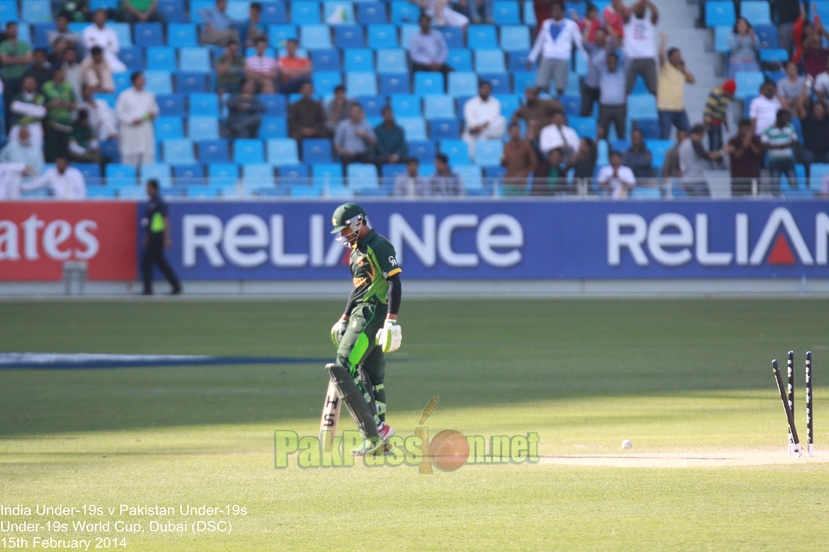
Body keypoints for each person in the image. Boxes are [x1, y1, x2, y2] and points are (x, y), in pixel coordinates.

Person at [327, 202, 402, 456]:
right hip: (361, 311)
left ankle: (374, 432)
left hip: (373, 312)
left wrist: (391, 319)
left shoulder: (379, 245)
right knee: (369, 373)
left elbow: (394, 282)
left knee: (344, 364)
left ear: (358, 222)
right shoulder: (357, 250)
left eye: (345, 230)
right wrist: (344, 316)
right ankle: (381, 439)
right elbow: (359, 288)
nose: (343, 236)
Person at [528, 3, 585, 96]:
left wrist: (585, 57)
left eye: (558, 10)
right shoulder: (546, 24)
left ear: (563, 12)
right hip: (547, 56)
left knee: (560, 87)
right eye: (553, 10)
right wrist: (532, 58)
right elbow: (539, 42)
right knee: (539, 84)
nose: (555, 12)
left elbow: (579, 42)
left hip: (562, 58)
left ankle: (557, 106)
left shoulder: (571, 25)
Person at [141, 179, 182, 295]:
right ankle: (176, 286)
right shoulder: (151, 202)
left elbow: (165, 220)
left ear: (154, 189)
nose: (146, 190)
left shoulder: (159, 202)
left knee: (146, 262)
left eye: (148, 187)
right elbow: (150, 222)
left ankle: (148, 289)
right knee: (160, 262)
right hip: (153, 235)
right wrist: (147, 235)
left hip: (157, 235)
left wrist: (165, 237)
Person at [116, 71, 159, 167]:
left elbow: (154, 111)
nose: (143, 81)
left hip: (145, 130)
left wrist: (149, 115)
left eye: (143, 79)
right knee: (129, 155)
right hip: (129, 131)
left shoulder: (149, 95)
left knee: (147, 156)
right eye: (140, 79)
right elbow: (119, 113)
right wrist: (131, 120)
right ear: (134, 81)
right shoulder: (124, 95)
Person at [657, 33, 695, 139]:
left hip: (679, 109)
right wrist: (664, 40)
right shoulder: (664, 68)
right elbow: (660, 55)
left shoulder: (681, 71)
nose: (678, 58)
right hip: (665, 108)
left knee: (688, 134)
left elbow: (692, 81)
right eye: (675, 56)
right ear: (669, 58)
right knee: (665, 135)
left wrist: (683, 69)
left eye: (679, 56)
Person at [42, 64, 78, 162]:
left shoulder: (68, 87)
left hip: (66, 124)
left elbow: (75, 105)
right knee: (51, 151)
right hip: (52, 124)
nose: (64, 74)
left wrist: (66, 103)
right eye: (61, 71)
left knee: (64, 152)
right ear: (55, 73)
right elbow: (41, 106)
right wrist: (52, 105)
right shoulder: (46, 86)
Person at [461, 81, 505, 160]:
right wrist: (478, 126)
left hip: (489, 129)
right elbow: (470, 119)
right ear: (478, 90)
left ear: (491, 91)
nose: (485, 90)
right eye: (483, 88)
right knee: (473, 132)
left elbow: (493, 118)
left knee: (501, 120)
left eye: (487, 89)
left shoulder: (495, 103)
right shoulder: (470, 104)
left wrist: (484, 125)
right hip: (474, 131)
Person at [623, 0, 659, 96]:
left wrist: (646, 2)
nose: (640, 9)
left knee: (654, 90)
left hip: (648, 58)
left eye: (642, 8)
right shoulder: (629, 21)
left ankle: (658, 109)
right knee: (626, 90)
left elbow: (655, 13)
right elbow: (626, 15)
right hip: (632, 58)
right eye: (638, 8)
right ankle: (623, 110)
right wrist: (638, 4)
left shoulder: (649, 22)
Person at [582, 27, 617, 117]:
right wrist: (589, 28)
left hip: (602, 88)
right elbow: (583, 42)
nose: (599, 38)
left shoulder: (610, 48)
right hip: (589, 86)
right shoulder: (591, 47)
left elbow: (618, 43)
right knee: (585, 112)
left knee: (603, 115)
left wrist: (610, 32)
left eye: (602, 36)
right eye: (597, 36)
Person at [762, 109, 800, 193]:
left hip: (788, 160)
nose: (787, 119)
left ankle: (796, 201)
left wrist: (789, 143)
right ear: (778, 118)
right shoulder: (768, 129)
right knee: (775, 185)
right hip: (775, 161)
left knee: (794, 183)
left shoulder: (790, 127)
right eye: (785, 117)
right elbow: (763, 145)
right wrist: (778, 146)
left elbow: (796, 143)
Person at [678, 124, 722, 196]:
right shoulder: (695, 142)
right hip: (696, 180)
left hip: (686, 179)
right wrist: (722, 152)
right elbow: (706, 156)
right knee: (705, 205)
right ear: (701, 133)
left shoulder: (683, 144)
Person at [724, 118, 763, 196]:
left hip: (752, 176)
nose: (745, 131)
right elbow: (737, 155)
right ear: (739, 128)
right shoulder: (733, 141)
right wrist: (745, 144)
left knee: (753, 200)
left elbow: (758, 153)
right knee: (737, 202)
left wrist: (750, 143)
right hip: (737, 177)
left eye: (747, 129)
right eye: (743, 129)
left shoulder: (755, 140)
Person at [0, 22, 34, 107]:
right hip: (9, 79)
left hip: (23, 78)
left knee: (24, 103)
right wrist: (22, 59)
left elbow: (29, 59)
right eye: (11, 28)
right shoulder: (3, 45)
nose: (13, 30)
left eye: (15, 28)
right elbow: (5, 60)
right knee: (9, 103)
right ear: (7, 30)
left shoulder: (25, 45)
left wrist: (12, 59)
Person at [21, 156, 86, 199]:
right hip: (56, 203)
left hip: (72, 202)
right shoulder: (51, 173)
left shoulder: (75, 174)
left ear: (67, 164)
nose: (60, 165)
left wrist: (80, 206)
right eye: (58, 163)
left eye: (62, 163)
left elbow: (81, 191)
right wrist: (23, 187)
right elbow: (39, 183)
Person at [597, 52, 627, 140]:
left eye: (614, 61)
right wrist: (606, 49)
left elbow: (629, 59)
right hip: (605, 108)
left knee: (621, 133)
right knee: (603, 135)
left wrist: (619, 47)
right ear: (606, 62)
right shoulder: (602, 72)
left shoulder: (623, 73)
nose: (612, 63)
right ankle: (604, 153)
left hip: (620, 108)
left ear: (617, 62)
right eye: (610, 61)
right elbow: (596, 61)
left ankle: (621, 152)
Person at [9, 76, 46, 149]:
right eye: (27, 83)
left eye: (31, 83)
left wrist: (22, 108)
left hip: (34, 125)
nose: (29, 85)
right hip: (18, 124)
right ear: (23, 84)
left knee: (36, 148)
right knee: (13, 147)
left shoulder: (40, 97)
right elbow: (14, 107)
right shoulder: (17, 96)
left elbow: (41, 113)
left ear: (36, 85)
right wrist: (33, 108)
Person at [501, 123, 537, 194]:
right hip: (509, 180)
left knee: (522, 203)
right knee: (507, 203)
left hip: (522, 182)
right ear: (509, 133)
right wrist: (503, 160)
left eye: (517, 129)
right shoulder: (506, 146)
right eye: (512, 130)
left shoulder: (526, 145)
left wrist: (523, 173)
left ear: (520, 131)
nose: (515, 132)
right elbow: (503, 164)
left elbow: (534, 164)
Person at [702, 79, 736, 153]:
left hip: (718, 122)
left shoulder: (725, 97)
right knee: (714, 142)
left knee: (719, 142)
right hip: (712, 122)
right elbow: (708, 109)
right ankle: (713, 160)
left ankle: (718, 159)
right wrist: (707, 123)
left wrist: (726, 123)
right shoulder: (716, 94)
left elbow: (723, 111)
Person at [798, 99, 829, 175]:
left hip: (826, 151)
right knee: (806, 160)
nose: (819, 111)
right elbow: (799, 105)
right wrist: (806, 86)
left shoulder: (827, 119)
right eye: (817, 109)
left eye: (821, 109)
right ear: (812, 110)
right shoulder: (806, 119)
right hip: (810, 151)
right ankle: (808, 183)